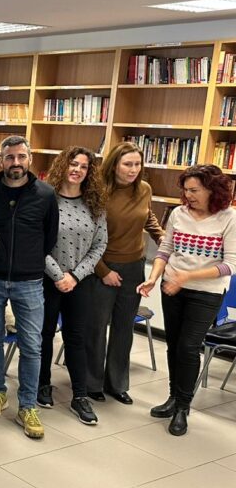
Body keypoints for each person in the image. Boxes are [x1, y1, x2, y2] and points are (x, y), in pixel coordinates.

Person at [139, 164, 236, 436]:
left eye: (194, 190)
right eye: (185, 190)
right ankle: (173, 397)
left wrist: (188, 277)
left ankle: (183, 407)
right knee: (174, 346)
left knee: (188, 348)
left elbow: (230, 265)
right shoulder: (179, 214)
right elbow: (165, 250)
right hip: (174, 286)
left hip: (207, 292)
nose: (188, 195)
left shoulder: (229, 218)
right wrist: (154, 278)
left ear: (212, 189)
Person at [0, 135, 59, 439]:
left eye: (21, 157)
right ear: (1, 161)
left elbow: (49, 238)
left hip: (30, 281)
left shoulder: (46, 194)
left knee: (32, 345)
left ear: (30, 159)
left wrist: (30, 262)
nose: (16, 163)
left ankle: (27, 404)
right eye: (10, 157)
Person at [36, 148, 107, 425]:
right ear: (62, 166)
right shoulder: (45, 199)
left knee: (76, 338)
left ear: (89, 172)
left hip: (81, 282)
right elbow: (37, 242)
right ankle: (43, 384)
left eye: (84, 166)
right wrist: (58, 275)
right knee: (43, 335)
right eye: (72, 164)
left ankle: (80, 396)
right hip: (47, 279)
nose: (77, 169)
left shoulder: (96, 204)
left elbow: (100, 244)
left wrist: (75, 276)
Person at [89, 142, 165, 403]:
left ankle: (117, 384)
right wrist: (103, 271)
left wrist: (164, 240)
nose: (134, 169)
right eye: (127, 164)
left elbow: (148, 218)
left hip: (134, 267)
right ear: (114, 165)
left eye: (137, 164)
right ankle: (92, 383)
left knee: (124, 329)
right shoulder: (98, 191)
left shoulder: (144, 189)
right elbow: (87, 236)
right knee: (97, 328)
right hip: (103, 267)